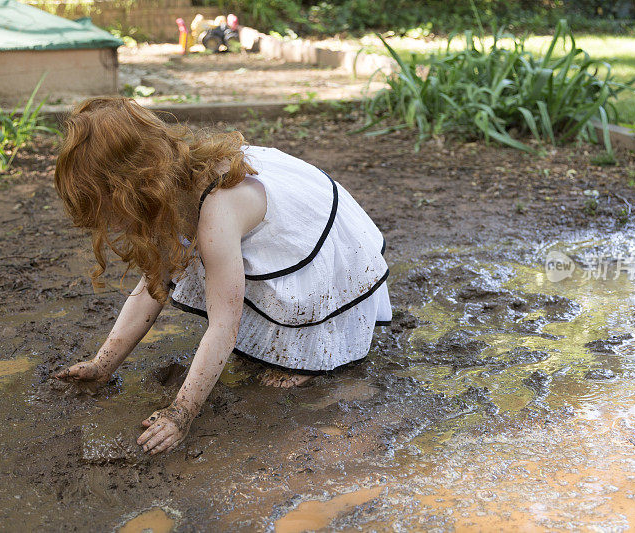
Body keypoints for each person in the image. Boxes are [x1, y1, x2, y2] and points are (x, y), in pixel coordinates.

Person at [52, 97, 391, 455]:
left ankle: (310, 355)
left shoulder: (216, 209)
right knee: (213, 274)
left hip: (324, 249)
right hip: (273, 224)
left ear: (131, 186)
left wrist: (180, 413)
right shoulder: (169, 186)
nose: (110, 223)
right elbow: (155, 283)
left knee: (277, 354)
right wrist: (102, 365)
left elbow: (222, 327)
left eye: (108, 210)